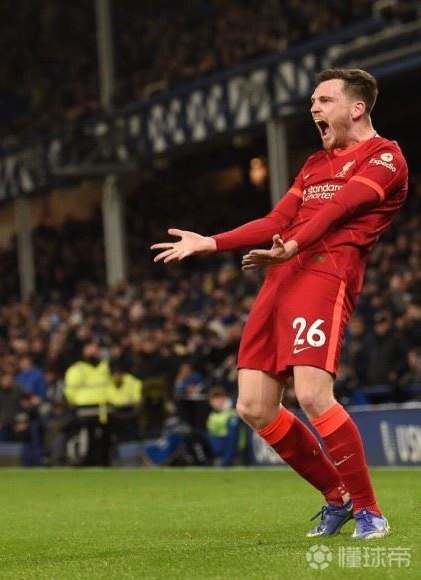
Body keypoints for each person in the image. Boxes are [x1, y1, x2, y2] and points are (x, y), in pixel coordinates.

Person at [152, 68, 408, 540]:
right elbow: (277, 220)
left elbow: (339, 209)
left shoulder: (386, 158)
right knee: (253, 405)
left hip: (325, 275)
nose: (313, 108)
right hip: (281, 279)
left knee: (312, 395)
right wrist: (211, 242)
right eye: (312, 101)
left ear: (357, 108)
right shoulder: (314, 164)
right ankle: (337, 497)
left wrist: (292, 245)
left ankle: (371, 512)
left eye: (324, 100)